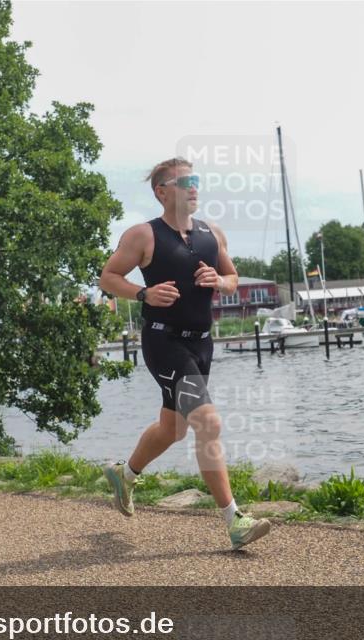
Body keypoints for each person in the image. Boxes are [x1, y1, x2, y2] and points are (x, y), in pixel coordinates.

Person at [97, 157, 271, 551]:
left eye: (196, 181)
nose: (194, 187)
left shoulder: (212, 233)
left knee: (173, 429)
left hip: (201, 342)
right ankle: (235, 521)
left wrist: (220, 282)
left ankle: (125, 474)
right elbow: (108, 277)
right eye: (185, 182)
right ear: (162, 191)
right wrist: (144, 293)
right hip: (164, 341)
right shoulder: (143, 235)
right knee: (207, 423)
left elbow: (232, 277)